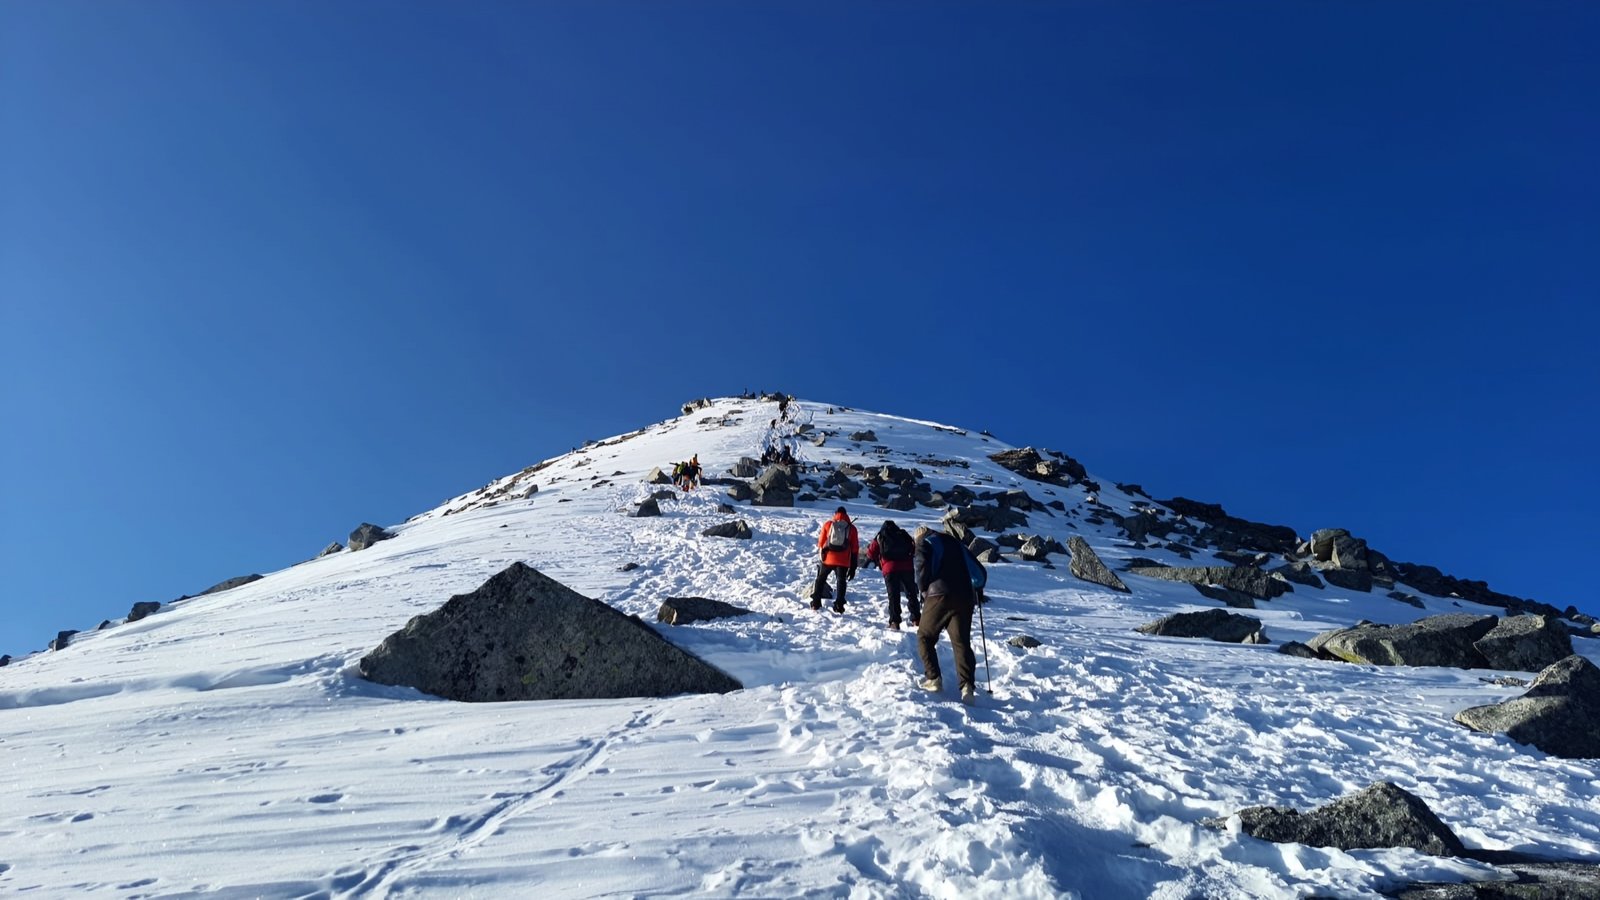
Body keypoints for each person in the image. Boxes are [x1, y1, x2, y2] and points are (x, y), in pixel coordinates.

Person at [913, 524, 988, 705]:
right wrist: (976, 588)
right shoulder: (955, 543)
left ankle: (933, 679)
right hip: (965, 597)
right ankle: (967, 687)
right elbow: (980, 574)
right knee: (961, 642)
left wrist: (923, 590)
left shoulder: (925, 543)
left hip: (939, 594)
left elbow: (920, 570)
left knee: (925, 636)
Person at [865, 520, 920, 630]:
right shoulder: (903, 534)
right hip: (907, 567)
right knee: (911, 593)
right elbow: (913, 548)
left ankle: (895, 621)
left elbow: (871, 554)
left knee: (893, 596)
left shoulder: (881, 536)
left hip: (890, 569)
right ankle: (916, 619)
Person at [810, 507, 859, 613]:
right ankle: (839, 605)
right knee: (841, 581)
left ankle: (815, 603)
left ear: (835, 514)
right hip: (843, 561)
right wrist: (853, 566)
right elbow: (855, 549)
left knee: (821, 579)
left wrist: (822, 554)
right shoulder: (851, 528)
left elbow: (821, 542)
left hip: (828, 558)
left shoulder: (828, 524)